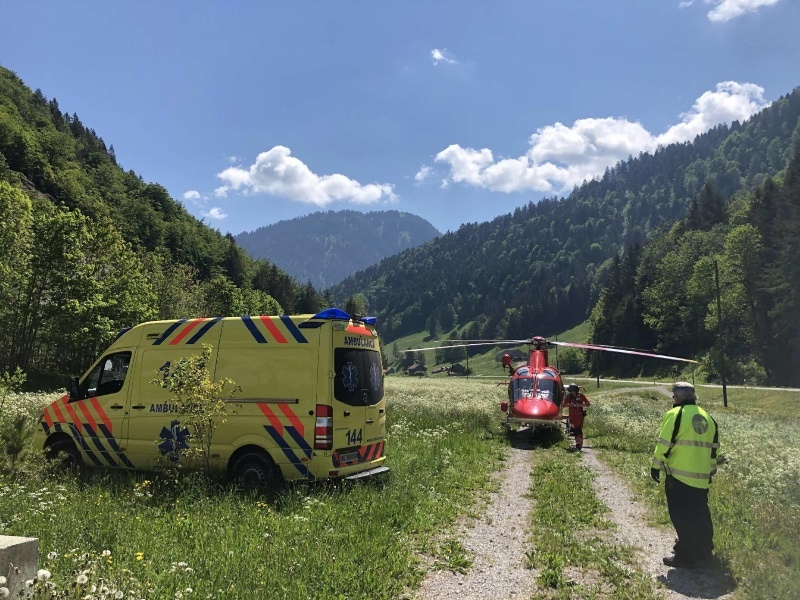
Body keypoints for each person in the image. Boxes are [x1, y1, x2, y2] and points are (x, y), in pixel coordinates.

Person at [651, 382, 719, 569]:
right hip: (701, 478)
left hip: (678, 476)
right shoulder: (708, 418)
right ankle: (704, 550)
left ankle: (685, 555)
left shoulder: (675, 415)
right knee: (700, 513)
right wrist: (710, 472)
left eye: (674, 396)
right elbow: (714, 451)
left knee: (681, 515)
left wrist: (655, 466)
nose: (673, 399)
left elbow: (664, 443)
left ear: (679, 397)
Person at [562, 383, 590, 450]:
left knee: (578, 430)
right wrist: (569, 404)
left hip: (579, 416)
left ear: (575, 390)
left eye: (572, 391)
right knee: (574, 430)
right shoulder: (569, 396)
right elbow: (563, 405)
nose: (572, 392)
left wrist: (580, 405)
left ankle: (579, 444)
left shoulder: (581, 396)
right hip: (572, 416)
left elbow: (588, 404)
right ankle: (578, 443)